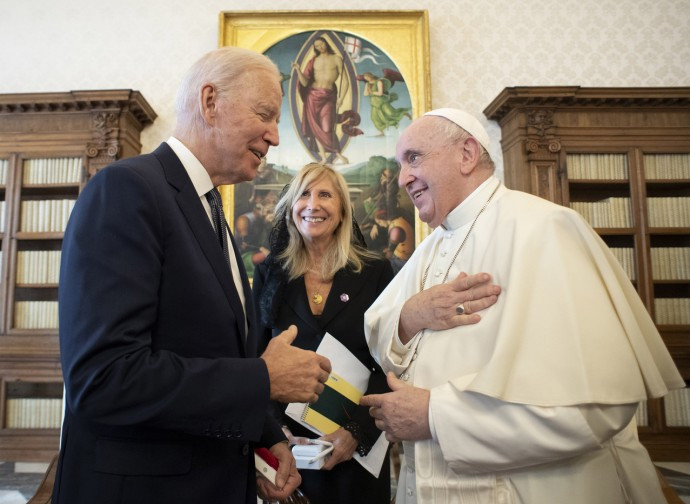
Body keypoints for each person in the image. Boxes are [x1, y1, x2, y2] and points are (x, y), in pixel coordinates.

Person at [361, 108, 685, 503]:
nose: (402, 178)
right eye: (399, 165)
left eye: (414, 158)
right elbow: (379, 332)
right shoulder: (429, 249)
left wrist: (433, 416)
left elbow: (596, 410)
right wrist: (411, 316)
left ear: (466, 154)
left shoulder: (546, 228)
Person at [54, 46, 332, 504]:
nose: (275, 136)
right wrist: (263, 379)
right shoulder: (129, 190)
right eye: (264, 113)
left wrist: (263, 435)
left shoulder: (210, 208)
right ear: (209, 102)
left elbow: (206, 350)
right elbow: (104, 378)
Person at [253, 163, 393, 503]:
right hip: (290, 453)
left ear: (343, 210)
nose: (313, 205)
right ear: (291, 208)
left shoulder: (376, 271)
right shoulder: (269, 272)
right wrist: (277, 435)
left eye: (325, 195)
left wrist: (355, 433)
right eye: (303, 194)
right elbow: (254, 361)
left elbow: (390, 362)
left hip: (356, 449)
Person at [292, 37, 352, 164]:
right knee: (315, 128)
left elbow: (345, 80)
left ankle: (338, 154)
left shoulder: (336, 59)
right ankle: (324, 158)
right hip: (312, 96)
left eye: (321, 44)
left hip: (328, 97)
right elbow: (304, 82)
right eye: (317, 46)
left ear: (326, 43)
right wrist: (298, 69)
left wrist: (341, 98)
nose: (320, 47)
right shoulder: (313, 61)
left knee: (327, 127)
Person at [360, 70, 412, 136]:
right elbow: (365, 94)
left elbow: (380, 93)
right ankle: (382, 132)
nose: (367, 79)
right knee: (374, 118)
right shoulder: (368, 84)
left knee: (391, 113)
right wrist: (368, 91)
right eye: (366, 78)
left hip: (382, 102)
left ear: (371, 76)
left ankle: (406, 114)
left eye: (368, 77)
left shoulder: (379, 82)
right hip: (374, 103)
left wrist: (372, 92)